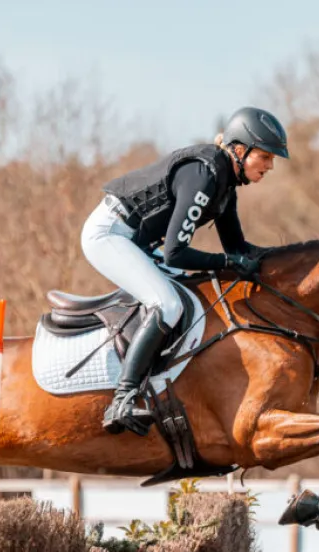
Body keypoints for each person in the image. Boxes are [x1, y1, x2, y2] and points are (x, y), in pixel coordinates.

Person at [81, 106, 289, 435]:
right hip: (109, 234)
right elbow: (177, 253)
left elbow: (237, 249)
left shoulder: (225, 185)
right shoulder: (206, 174)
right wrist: (228, 264)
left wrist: (286, 263)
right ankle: (122, 398)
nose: (270, 166)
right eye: (264, 156)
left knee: (192, 296)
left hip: (137, 241)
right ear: (239, 149)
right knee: (168, 305)